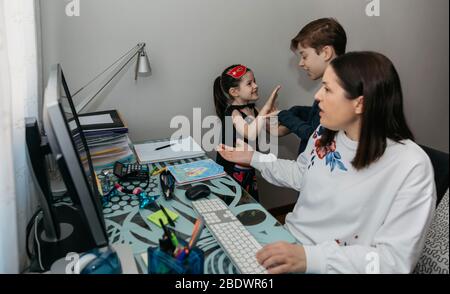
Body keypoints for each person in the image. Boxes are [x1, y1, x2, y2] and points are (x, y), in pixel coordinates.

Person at [217, 52, 436, 274]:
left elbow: (393, 262)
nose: (318, 96)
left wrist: (309, 259)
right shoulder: (324, 133)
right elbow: (301, 174)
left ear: (360, 103)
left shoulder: (411, 166)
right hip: (289, 243)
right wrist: (253, 158)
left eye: (328, 89)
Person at [277, 18, 347, 155]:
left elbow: (313, 135)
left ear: (326, 53)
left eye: (304, 56)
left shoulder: (340, 91)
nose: (301, 63)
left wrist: (282, 115)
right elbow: (318, 117)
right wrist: (296, 111)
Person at [213, 64, 280, 202]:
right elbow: (250, 134)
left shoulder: (253, 109)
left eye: (254, 81)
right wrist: (265, 108)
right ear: (234, 92)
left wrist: (273, 118)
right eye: (249, 83)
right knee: (235, 206)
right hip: (232, 170)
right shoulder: (233, 112)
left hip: (249, 165)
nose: (255, 85)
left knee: (251, 205)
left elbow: (275, 132)